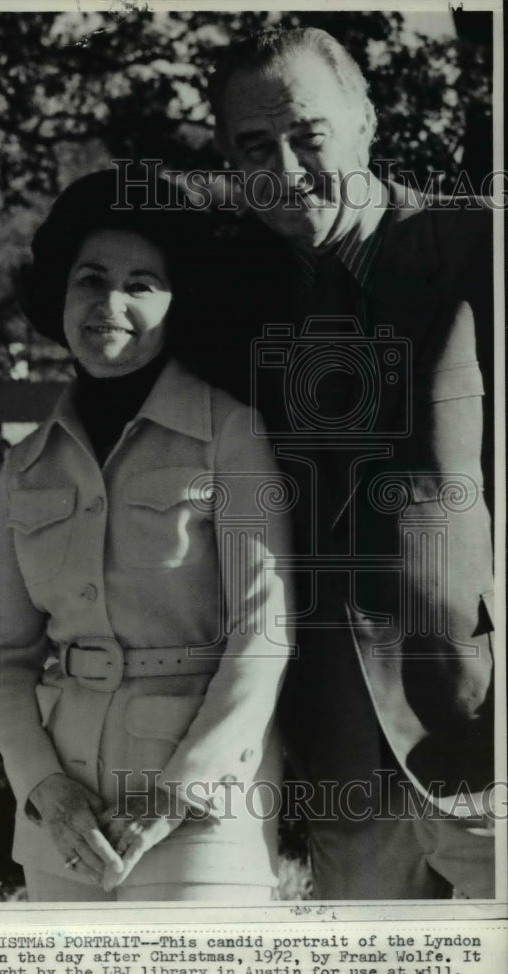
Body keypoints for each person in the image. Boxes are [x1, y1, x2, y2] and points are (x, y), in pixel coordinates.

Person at [200, 26, 495, 899]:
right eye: (254, 147)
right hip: (332, 728)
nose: (285, 169)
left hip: (480, 709)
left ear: (365, 121)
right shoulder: (233, 289)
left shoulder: (477, 251)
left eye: (307, 135)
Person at [0, 169, 294, 902]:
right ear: (60, 294)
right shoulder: (26, 464)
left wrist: (177, 793)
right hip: (63, 812)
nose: (109, 304)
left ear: (180, 304)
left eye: (141, 284)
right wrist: (44, 788)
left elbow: (262, 634)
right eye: (90, 279)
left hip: (205, 805)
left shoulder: (231, 434)